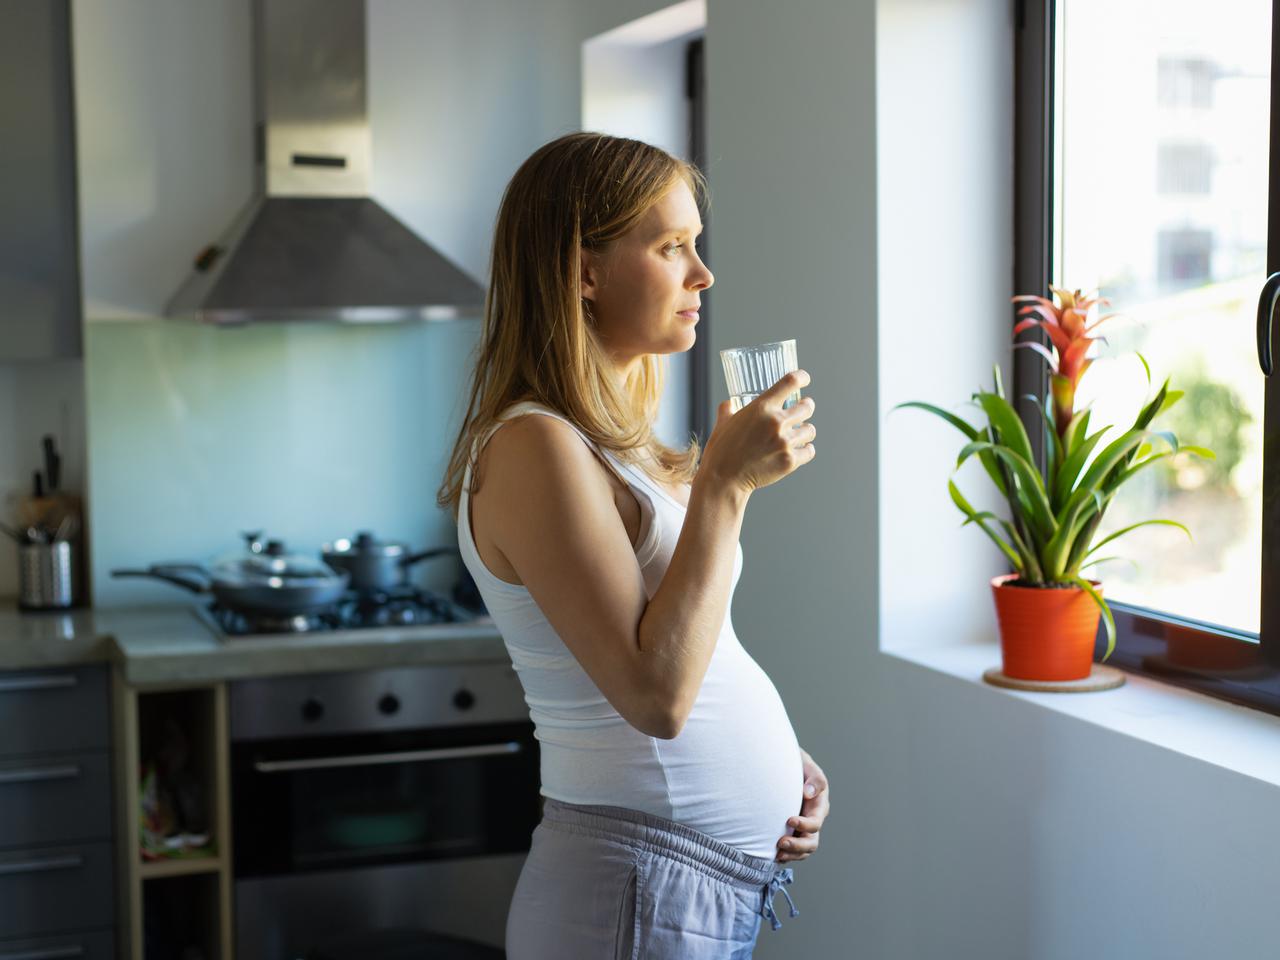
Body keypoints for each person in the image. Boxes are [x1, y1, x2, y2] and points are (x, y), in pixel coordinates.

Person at [438, 131, 830, 959]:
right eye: (671, 246)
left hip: (678, 882)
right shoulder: (534, 446)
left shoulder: (611, 441)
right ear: (584, 271)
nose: (703, 274)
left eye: (697, 244)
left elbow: (693, 640)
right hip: (633, 888)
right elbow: (653, 696)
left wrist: (779, 762)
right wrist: (725, 487)